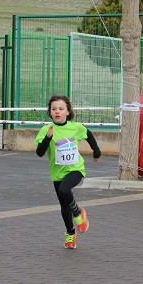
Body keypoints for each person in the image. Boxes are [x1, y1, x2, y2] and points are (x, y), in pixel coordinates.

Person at [35, 94, 101, 249]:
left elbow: (89, 134)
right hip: (57, 173)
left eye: (61, 108)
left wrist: (96, 151)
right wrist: (47, 139)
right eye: (54, 109)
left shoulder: (75, 127)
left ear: (68, 112)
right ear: (50, 112)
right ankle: (70, 234)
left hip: (75, 169)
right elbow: (39, 152)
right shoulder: (46, 129)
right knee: (64, 206)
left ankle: (78, 213)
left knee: (65, 189)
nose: (57, 111)